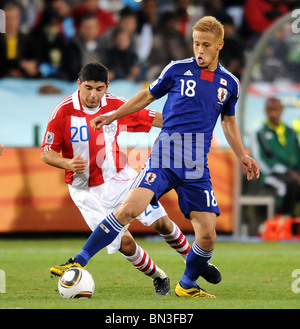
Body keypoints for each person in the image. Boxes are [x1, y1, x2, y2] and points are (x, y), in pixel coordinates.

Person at [72, 16, 260, 299]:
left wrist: (242, 154)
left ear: (219, 45)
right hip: (165, 153)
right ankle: (79, 260)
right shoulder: (177, 69)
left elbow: (228, 122)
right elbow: (146, 96)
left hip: (196, 163)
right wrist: (112, 115)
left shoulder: (229, 83)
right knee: (129, 209)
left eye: (206, 45)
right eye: (196, 43)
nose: (199, 50)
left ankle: (186, 285)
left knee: (208, 235)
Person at [41, 62, 220, 296]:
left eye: (98, 88)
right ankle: (160, 277)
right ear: (78, 84)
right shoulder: (63, 112)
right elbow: (46, 152)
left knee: (162, 223)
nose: (93, 95)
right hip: (84, 190)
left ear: (106, 87)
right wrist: (67, 163)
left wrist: (191, 128)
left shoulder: (116, 106)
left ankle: (195, 262)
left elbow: (152, 118)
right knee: (125, 243)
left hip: (120, 178)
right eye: (88, 88)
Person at [251, 98, 300, 218]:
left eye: (276, 109)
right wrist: (287, 171)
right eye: (270, 110)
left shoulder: (291, 132)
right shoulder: (259, 133)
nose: (273, 113)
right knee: (288, 185)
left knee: (293, 182)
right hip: (269, 175)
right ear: (265, 111)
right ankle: (282, 217)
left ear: (282, 110)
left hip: (294, 173)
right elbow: (260, 161)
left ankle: (292, 219)